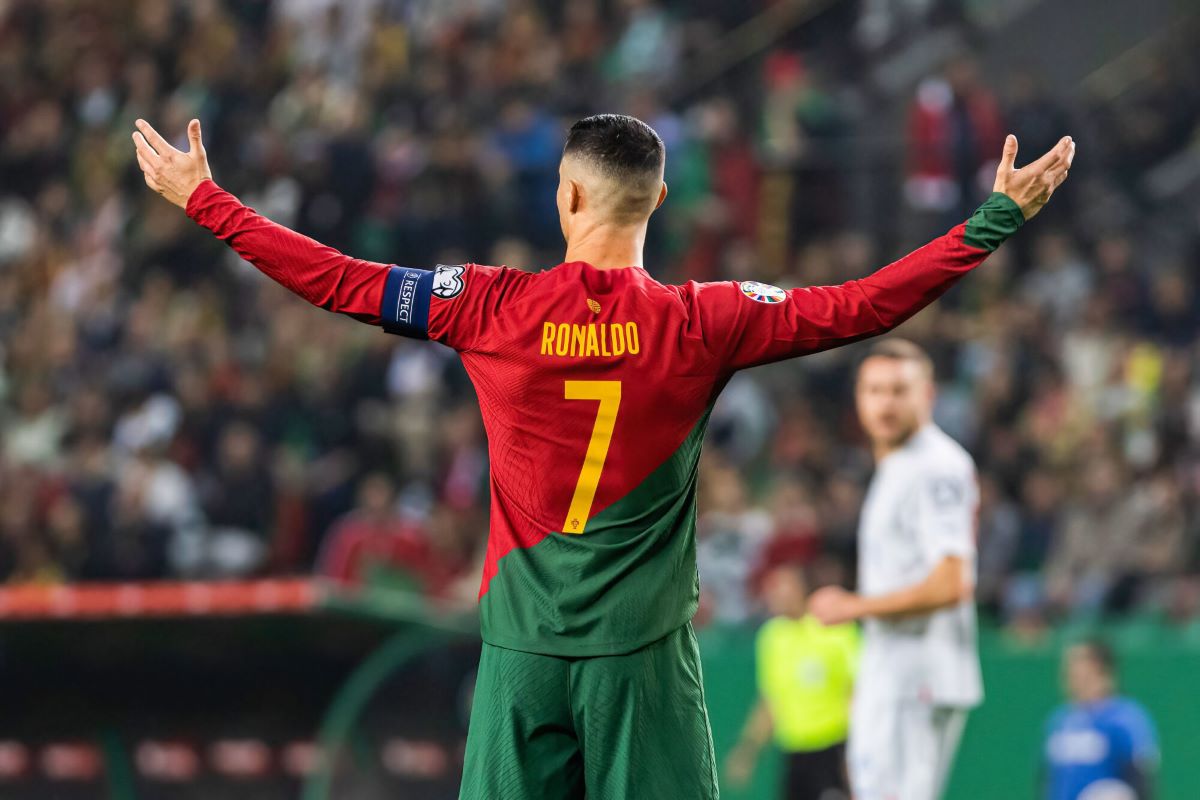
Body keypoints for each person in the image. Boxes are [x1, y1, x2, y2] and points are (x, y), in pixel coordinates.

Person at [131, 111, 1072, 799]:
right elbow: (866, 302)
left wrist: (206, 200)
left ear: (566, 193)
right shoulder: (707, 320)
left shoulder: (488, 305)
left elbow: (338, 281)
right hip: (644, 664)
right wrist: (992, 219)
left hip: (522, 659)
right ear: (661, 197)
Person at [810, 339, 984, 800]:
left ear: (928, 395)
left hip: (917, 672)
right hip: (897, 667)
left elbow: (952, 582)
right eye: (874, 390)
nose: (885, 403)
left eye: (898, 390)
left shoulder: (934, 467)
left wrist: (854, 605)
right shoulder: (899, 467)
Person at [726, 564, 857, 799]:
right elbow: (770, 700)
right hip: (793, 754)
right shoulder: (772, 636)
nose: (776, 594)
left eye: (783, 586)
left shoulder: (835, 630)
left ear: (802, 589)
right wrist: (748, 751)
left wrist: (854, 755)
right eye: (772, 588)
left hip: (833, 751)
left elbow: (856, 693)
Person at [1043, 640, 1159, 800]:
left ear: (1100, 669)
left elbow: (1141, 777)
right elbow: (1049, 780)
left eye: (1078, 662)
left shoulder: (1124, 719)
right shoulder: (1060, 720)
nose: (1069, 670)